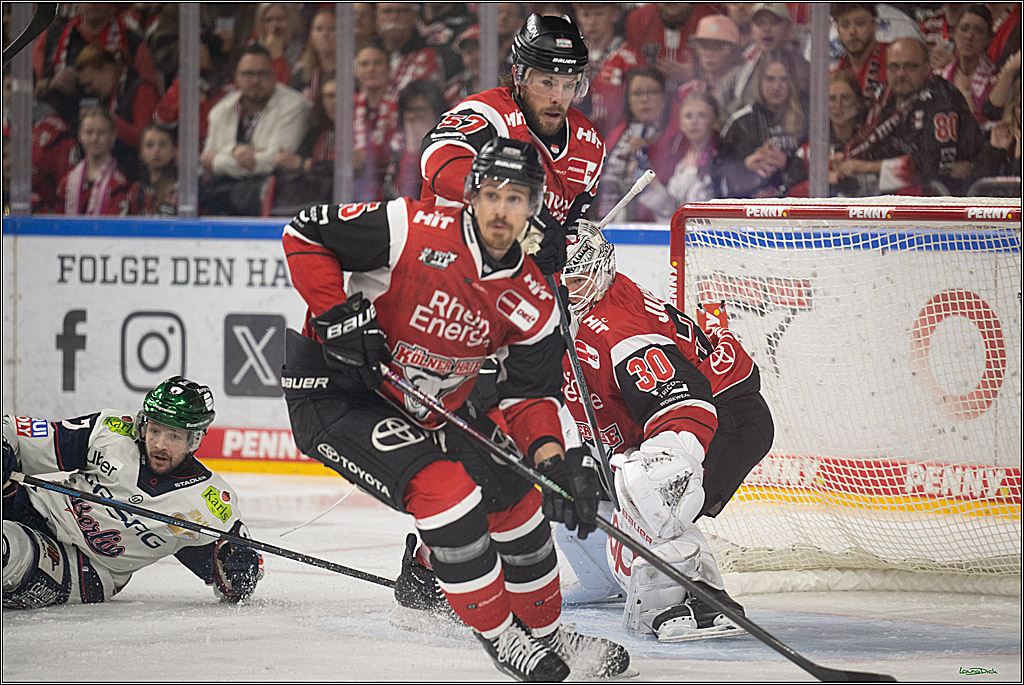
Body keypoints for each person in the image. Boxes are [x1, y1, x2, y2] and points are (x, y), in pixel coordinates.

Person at [280, 138, 629, 681]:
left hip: (430, 402)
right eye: (490, 194)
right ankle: (499, 634)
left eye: (516, 199)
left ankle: (546, 631)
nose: (500, 210)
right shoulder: (411, 229)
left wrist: (553, 459)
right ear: (470, 194)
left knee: (520, 501)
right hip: (337, 389)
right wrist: (337, 314)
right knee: (447, 495)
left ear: (535, 207)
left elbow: (528, 395)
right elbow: (304, 232)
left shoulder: (534, 299)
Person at [553, 222, 772, 641]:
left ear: (599, 274)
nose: (566, 290)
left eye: (576, 280)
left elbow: (684, 404)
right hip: (675, 407)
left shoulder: (618, 332)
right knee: (566, 484)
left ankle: (696, 600)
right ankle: (606, 579)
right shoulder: (579, 309)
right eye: (558, 281)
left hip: (726, 413)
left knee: (652, 489)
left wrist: (659, 470)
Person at [2, 376, 263, 609]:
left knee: (6, 547)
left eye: (174, 436)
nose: (160, 444)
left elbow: (233, 576)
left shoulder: (209, 502)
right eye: (155, 430)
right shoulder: (111, 431)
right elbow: (18, 434)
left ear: (194, 440)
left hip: (80, 567)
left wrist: (242, 573)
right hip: (36, 507)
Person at [419, 13, 605, 277]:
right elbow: (436, 163)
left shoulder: (589, 144)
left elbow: (565, 230)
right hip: (444, 271)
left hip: (519, 289)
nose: (557, 97)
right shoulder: (487, 113)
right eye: (546, 82)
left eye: (568, 85)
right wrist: (516, 211)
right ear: (519, 77)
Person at [831, 37, 986, 196]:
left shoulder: (942, 99)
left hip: (946, 198)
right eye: (894, 66)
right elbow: (878, 142)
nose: (900, 74)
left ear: (926, 68)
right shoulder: (885, 92)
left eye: (909, 66)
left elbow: (930, 166)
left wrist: (864, 167)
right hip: (895, 193)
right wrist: (849, 157)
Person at [199, 45, 308, 217]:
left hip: (273, 202)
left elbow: (276, 161)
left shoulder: (293, 105)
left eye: (262, 74)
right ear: (236, 78)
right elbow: (206, 164)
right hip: (224, 202)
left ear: (274, 76)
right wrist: (235, 151)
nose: (256, 81)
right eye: (248, 74)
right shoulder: (221, 111)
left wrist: (219, 161)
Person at [718, 50, 808, 198]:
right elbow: (717, 171)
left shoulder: (808, 121)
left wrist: (787, 163)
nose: (776, 87)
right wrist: (746, 165)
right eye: (770, 79)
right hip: (747, 212)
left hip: (793, 211)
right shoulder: (739, 122)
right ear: (759, 81)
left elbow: (818, 174)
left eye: (784, 79)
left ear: (793, 82)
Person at [74, 43, 159, 181]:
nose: (88, 90)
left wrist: (107, 122)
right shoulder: (107, 96)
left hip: (136, 177)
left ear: (108, 70)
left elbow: (145, 140)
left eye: (90, 83)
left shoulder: (141, 90)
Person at [599, 66, 673, 222]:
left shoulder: (675, 135)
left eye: (651, 92)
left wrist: (648, 154)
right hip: (606, 222)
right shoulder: (617, 133)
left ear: (664, 97)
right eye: (637, 93)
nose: (644, 99)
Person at [637, 90, 724, 220]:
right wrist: (653, 188)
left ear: (715, 121)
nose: (694, 121)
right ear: (681, 124)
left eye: (702, 115)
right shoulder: (674, 155)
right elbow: (672, 209)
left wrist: (690, 173)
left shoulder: (724, 156)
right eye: (688, 116)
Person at [570, 3, 643, 143]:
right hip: (576, 138)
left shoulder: (628, 59)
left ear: (614, 14)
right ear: (577, 16)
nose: (592, 22)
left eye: (599, 14)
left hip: (616, 140)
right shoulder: (571, 55)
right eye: (586, 15)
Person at [624, 3, 720, 91]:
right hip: (654, 98)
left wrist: (698, 73)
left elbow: (728, 71)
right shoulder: (638, 19)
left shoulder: (711, 16)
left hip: (698, 98)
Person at [56, 107, 130, 216]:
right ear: (80, 135)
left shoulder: (118, 183)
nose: (95, 138)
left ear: (113, 135)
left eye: (101, 133)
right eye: (89, 132)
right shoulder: (67, 182)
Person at [383, 80, 448, 200]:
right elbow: (403, 195)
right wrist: (412, 148)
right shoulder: (397, 148)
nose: (413, 117)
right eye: (409, 110)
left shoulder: (448, 146)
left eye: (420, 110)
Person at [935, 4, 998, 124]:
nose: (969, 36)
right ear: (954, 33)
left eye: (978, 31)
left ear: (989, 38)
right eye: (964, 28)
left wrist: (967, 96)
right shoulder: (938, 75)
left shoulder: (996, 78)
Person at [832, 3, 888, 101]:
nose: (852, 31)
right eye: (845, 25)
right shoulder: (835, 75)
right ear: (838, 31)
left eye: (860, 23)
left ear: (875, 26)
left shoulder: (894, 60)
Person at [129, 124, 179, 216]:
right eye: (149, 145)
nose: (156, 150)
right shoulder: (136, 189)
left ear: (174, 150)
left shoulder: (179, 188)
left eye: (163, 145)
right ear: (141, 152)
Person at [290, 6, 336, 105]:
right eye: (319, 29)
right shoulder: (302, 72)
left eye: (331, 29)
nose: (325, 34)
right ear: (312, 36)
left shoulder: (352, 71)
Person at [253, 2, 304, 85]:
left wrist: (277, 55)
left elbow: (284, 87)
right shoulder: (252, 50)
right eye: (268, 20)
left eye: (280, 19)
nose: (275, 25)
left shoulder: (301, 51)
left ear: (291, 21)